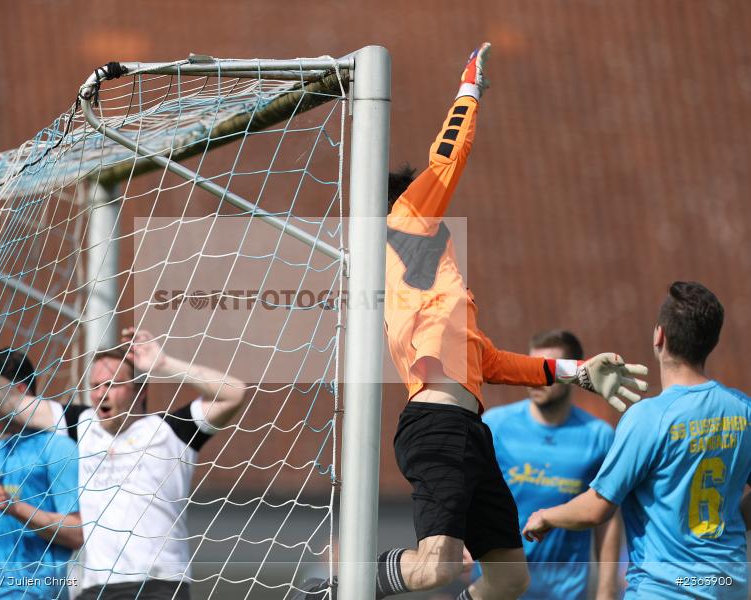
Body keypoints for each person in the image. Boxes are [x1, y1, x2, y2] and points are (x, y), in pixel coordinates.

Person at [297, 43, 648, 600]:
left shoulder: (437, 296)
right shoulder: (406, 220)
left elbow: (496, 362)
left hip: (469, 433)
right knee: (436, 569)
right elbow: (447, 158)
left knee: (509, 579)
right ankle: (336, 589)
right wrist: (469, 91)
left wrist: (578, 372)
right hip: (438, 426)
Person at [523, 282, 751, 599]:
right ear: (712, 341)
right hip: (730, 586)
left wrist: (546, 516)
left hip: (665, 589)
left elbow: (596, 509)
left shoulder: (649, 417)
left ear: (660, 336)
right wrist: (732, 521)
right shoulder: (743, 409)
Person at [71, 327, 249, 600]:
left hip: (159, 586)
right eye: (95, 386)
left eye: (113, 384)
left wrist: (165, 364)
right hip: (96, 589)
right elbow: (15, 405)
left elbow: (234, 392)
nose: (101, 394)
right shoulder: (83, 425)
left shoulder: (170, 430)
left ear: (140, 391)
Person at [478, 329, 620, 599]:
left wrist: (607, 591)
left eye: (547, 369)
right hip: (497, 590)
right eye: (532, 366)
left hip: (565, 592)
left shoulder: (599, 437)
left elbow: (607, 518)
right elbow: (467, 492)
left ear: (573, 375)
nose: (535, 377)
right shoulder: (495, 427)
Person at [0, 345, 82, 600]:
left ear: (20, 393)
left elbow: (78, 533)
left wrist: (16, 508)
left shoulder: (59, 448)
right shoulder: (0, 450)